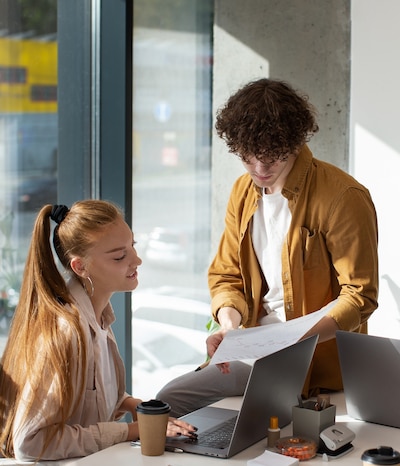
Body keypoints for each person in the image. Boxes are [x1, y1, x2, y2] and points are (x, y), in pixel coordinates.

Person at [157, 78, 379, 417]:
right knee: (165, 403)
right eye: (249, 158)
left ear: (295, 142)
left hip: (316, 365)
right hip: (253, 354)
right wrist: (229, 327)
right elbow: (226, 275)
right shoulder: (242, 192)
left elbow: (359, 296)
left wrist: (295, 340)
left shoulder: (342, 197)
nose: (260, 170)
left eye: (273, 158)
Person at [0, 200, 196, 461]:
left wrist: (132, 405)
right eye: (119, 256)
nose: (137, 260)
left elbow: (86, 397)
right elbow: (30, 442)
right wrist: (129, 431)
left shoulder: (98, 314)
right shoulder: (66, 333)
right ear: (80, 267)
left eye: (132, 247)